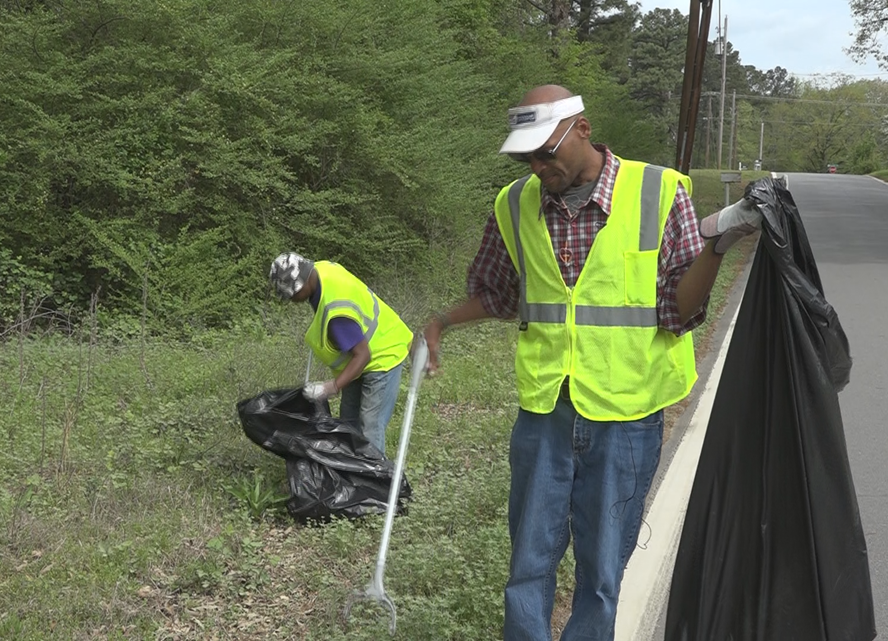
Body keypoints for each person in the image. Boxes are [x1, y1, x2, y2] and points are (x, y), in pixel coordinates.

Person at [421, 85, 761, 640]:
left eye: (545, 151)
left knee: (602, 571)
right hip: (546, 410)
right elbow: (500, 294)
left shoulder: (658, 192)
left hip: (626, 415)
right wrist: (441, 321)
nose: (537, 166)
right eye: (525, 157)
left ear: (581, 129)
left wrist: (716, 247)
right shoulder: (514, 204)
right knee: (527, 563)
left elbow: (679, 310)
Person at [269, 252, 413, 455]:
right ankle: (351, 471)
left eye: (292, 295)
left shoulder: (337, 315)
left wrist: (331, 387)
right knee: (348, 422)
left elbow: (363, 356)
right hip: (358, 353)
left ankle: (373, 479)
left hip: (383, 354)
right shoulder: (321, 269)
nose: (292, 300)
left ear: (302, 284)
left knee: (370, 425)